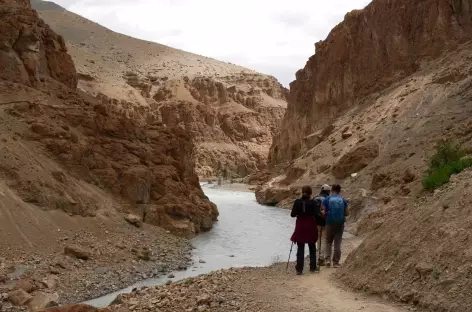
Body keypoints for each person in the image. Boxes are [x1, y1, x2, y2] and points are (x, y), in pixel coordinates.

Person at [290, 185, 318, 275]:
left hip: (300, 226)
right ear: (310, 193)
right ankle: (313, 267)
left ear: (302, 192)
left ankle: (299, 269)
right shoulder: (313, 202)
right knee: (312, 246)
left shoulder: (297, 202)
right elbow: (317, 214)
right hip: (310, 225)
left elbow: (292, 215)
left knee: (300, 246)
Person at [322, 184, 349, 268]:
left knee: (328, 242)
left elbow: (323, 212)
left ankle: (327, 260)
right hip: (340, 224)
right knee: (337, 243)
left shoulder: (327, 199)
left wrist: (326, 215)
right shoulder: (343, 200)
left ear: (331, 190)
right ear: (339, 190)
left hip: (329, 223)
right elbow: (347, 213)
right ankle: (336, 262)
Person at [313, 184, 331, 266]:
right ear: (328, 191)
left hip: (316, 222)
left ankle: (318, 256)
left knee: (318, 240)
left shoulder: (315, 198)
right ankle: (321, 258)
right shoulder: (328, 199)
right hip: (325, 222)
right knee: (324, 240)